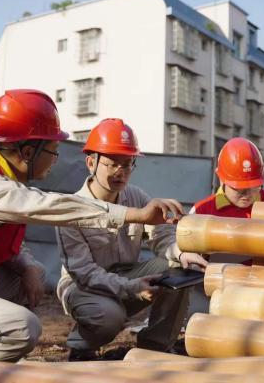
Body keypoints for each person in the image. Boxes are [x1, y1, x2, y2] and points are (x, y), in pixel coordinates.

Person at [0, 90, 183, 362]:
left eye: (127, 163)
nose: (54, 160)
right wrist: (136, 215)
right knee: (23, 328)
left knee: (30, 274)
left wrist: (27, 265)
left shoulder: (0, 182)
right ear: (28, 152)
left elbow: (9, 242)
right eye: (52, 150)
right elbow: (53, 206)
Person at [56, 118, 208, 360]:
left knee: (179, 268)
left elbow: (160, 236)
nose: (121, 172)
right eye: (113, 164)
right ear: (90, 163)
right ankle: (82, 348)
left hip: (126, 276)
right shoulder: (72, 209)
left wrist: (181, 253)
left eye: (127, 164)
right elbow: (84, 273)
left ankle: (154, 348)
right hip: (84, 288)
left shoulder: (135, 196)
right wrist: (132, 288)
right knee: (109, 316)